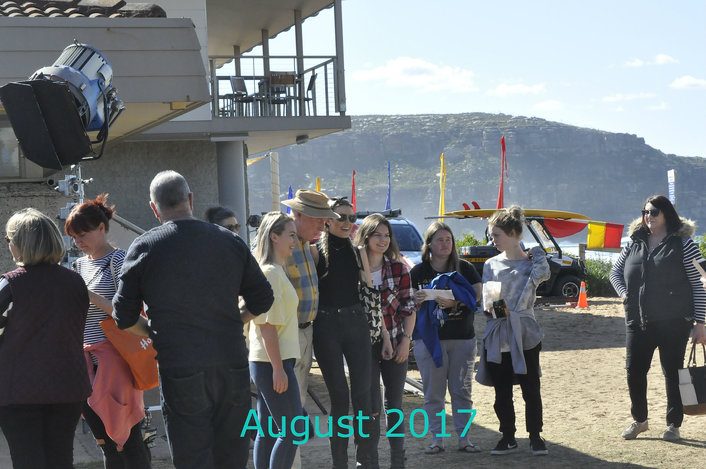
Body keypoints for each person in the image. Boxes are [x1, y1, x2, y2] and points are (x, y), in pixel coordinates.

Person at [112, 170, 274, 469]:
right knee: (232, 455)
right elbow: (263, 298)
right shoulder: (229, 240)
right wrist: (234, 320)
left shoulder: (146, 246)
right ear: (190, 199)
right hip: (230, 362)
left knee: (192, 458)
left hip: (180, 364)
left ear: (153, 207)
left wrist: (154, 331)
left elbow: (123, 316)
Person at [609, 195, 706, 441]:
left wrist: (701, 323)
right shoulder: (634, 242)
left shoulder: (685, 244)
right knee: (634, 371)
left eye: (653, 212)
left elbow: (700, 283)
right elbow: (615, 271)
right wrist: (623, 294)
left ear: (666, 214)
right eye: (645, 212)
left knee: (673, 373)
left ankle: (673, 425)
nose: (648, 217)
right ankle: (640, 421)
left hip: (674, 323)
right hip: (637, 320)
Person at [0, 208, 91, 469]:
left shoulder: (11, 284)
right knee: (61, 459)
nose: (8, 245)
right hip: (68, 387)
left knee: (28, 461)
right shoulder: (76, 282)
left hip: (19, 391)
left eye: (9, 240)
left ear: (19, 242)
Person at [65, 194, 151, 469]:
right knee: (104, 441)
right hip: (85, 362)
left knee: (129, 438)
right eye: (74, 236)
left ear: (101, 228)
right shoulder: (77, 265)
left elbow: (128, 313)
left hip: (115, 360)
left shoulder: (119, 260)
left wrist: (87, 294)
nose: (79, 241)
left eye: (83, 233)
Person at [475, 206, 551, 456]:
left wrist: (537, 251)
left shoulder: (532, 263)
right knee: (502, 391)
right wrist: (503, 316)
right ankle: (507, 436)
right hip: (500, 332)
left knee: (531, 388)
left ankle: (535, 436)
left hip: (527, 334)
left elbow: (544, 273)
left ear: (514, 234)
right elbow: (489, 301)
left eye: (496, 235)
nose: (492, 240)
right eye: (491, 235)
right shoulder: (491, 264)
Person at [311, 197, 374, 469]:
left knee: (363, 394)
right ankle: (340, 463)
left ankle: (366, 461)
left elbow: (370, 293)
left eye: (352, 217)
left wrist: (380, 333)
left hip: (356, 322)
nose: (347, 223)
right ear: (327, 219)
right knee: (339, 398)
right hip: (325, 326)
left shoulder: (358, 252)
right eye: (341, 217)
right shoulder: (314, 252)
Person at [410, 222, 482, 455]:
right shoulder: (418, 272)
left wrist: (455, 302)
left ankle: (465, 439)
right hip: (429, 341)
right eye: (439, 240)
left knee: (462, 391)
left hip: (462, 339)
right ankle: (437, 439)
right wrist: (417, 299)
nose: (445, 244)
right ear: (429, 244)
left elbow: (478, 297)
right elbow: (407, 302)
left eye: (448, 239)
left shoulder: (466, 269)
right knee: (433, 393)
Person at [280, 189, 337, 469]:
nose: (322, 225)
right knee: (286, 413)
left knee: (296, 407)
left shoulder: (305, 244)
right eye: (318, 219)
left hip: (304, 331)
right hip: (284, 335)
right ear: (299, 215)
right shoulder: (280, 243)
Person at [354, 213, 416, 469]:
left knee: (395, 404)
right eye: (377, 235)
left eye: (386, 235)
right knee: (369, 406)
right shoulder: (355, 268)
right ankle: (369, 461)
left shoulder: (398, 267)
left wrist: (406, 342)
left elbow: (409, 307)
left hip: (397, 339)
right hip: (363, 347)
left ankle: (397, 460)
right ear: (366, 236)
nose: (383, 240)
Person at [249, 212, 305, 469]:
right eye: (291, 235)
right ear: (274, 236)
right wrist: (278, 369)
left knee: (269, 430)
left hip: (269, 361)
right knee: (292, 430)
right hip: (273, 361)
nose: (296, 240)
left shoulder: (273, 271)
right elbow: (266, 325)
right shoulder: (270, 272)